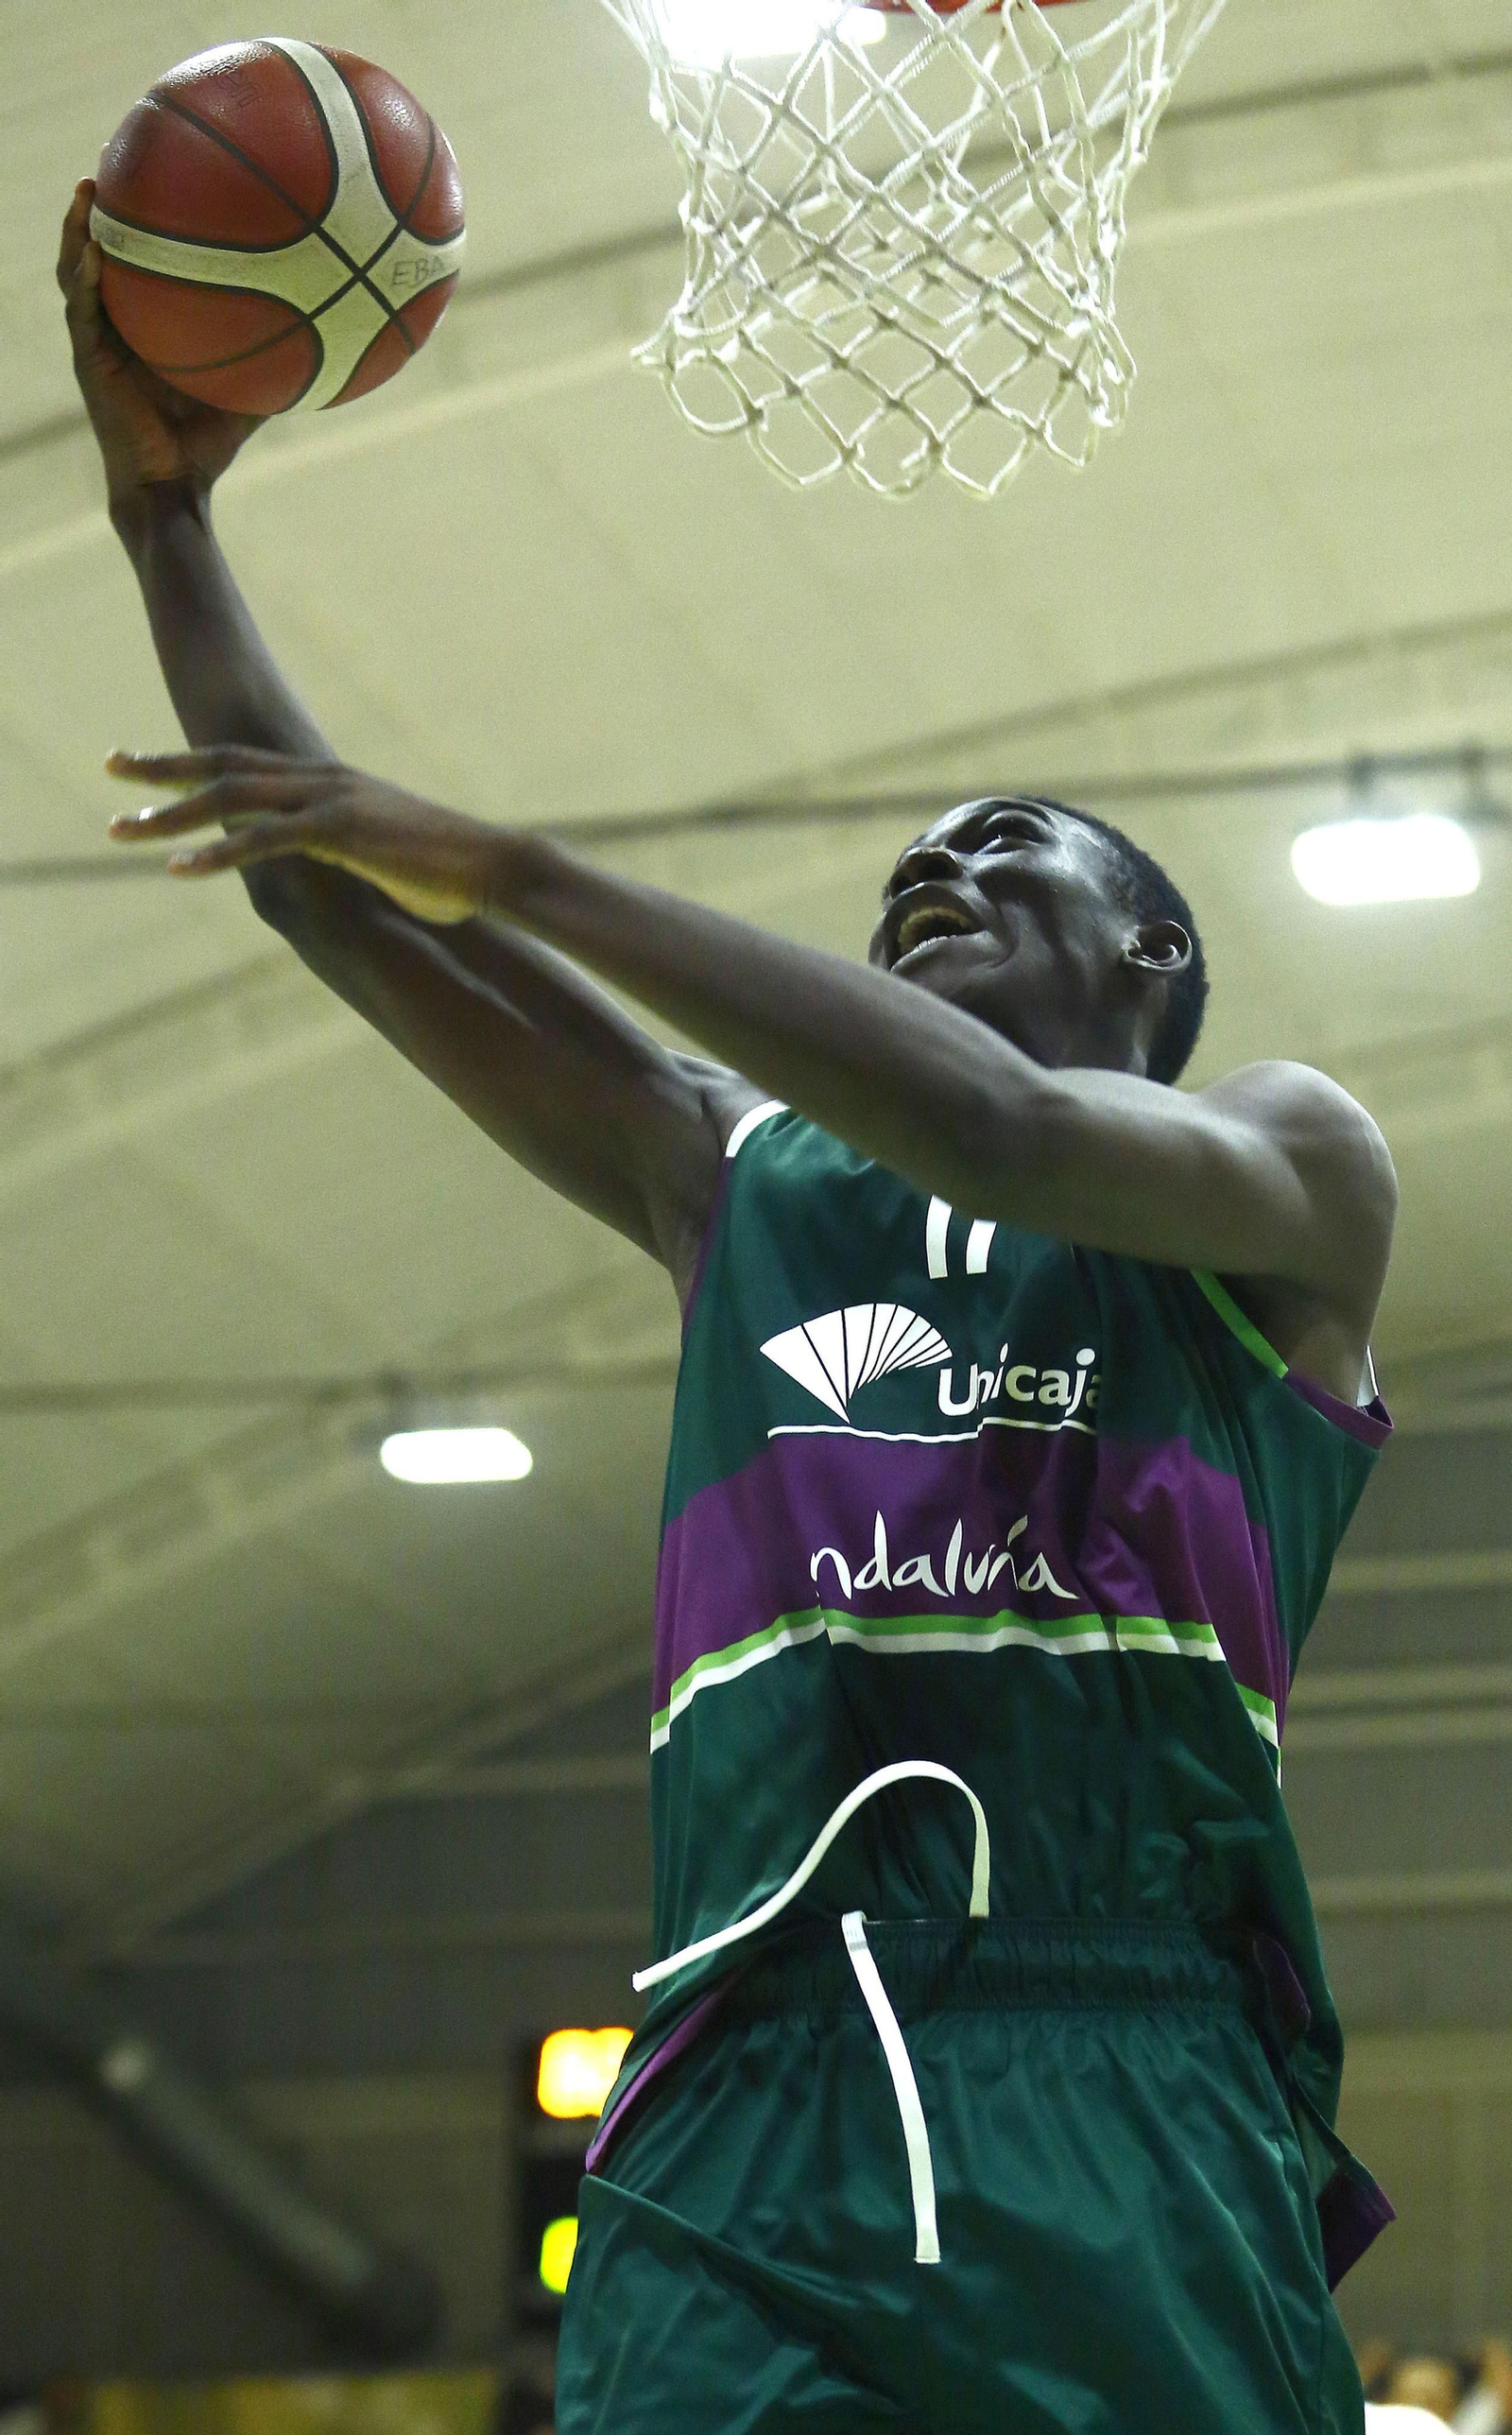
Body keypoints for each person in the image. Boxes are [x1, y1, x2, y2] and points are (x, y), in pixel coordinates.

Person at [60, 168, 1400, 2435]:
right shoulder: (733, 1171)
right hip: (739, 2096)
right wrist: (162, 517)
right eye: (904, 873)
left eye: (999, 851)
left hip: (1121, 2073)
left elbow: (999, 1128)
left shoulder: (1284, 1176)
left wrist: (519, 865)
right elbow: (318, 894)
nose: (932, 872)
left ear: (1149, 955)